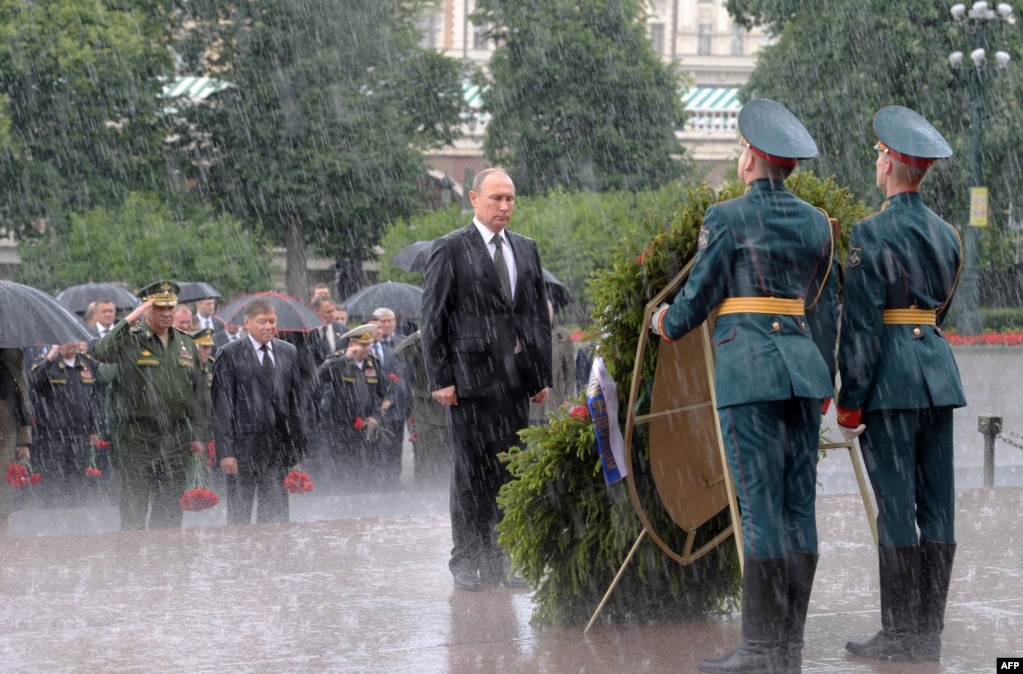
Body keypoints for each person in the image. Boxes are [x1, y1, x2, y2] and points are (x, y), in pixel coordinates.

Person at [650, 99, 837, 673]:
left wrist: (665, 320)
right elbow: (821, 303)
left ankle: (759, 650)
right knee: (797, 508)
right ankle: (789, 646)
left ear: (752, 158)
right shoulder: (816, 223)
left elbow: (699, 297)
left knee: (758, 510)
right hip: (803, 371)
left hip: (749, 368)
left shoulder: (726, 217)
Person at [837, 106, 965, 664]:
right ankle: (927, 632)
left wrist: (850, 402)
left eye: (878, 155)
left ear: (890, 164)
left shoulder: (869, 234)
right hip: (938, 377)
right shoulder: (947, 233)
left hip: (890, 382)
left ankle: (898, 634)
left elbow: (863, 330)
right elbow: (939, 312)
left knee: (896, 507)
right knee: (938, 505)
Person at [421, 167, 553, 592]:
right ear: (475, 199)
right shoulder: (451, 249)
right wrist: (441, 377)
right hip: (468, 384)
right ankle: (466, 558)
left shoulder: (527, 249)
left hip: (513, 383)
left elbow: (534, 317)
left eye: (510, 199)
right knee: (470, 474)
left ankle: (502, 558)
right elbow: (432, 318)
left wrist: (539, 376)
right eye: (496, 198)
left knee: (509, 474)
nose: (504, 207)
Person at [93, 281, 211, 531]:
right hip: (138, 438)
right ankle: (133, 567)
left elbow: (199, 394)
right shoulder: (130, 339)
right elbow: (102, 353)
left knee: (168, 514)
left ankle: (165, 567)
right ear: (146, 308)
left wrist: (199, 435)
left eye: (170, 307)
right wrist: (129, 320)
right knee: (134, 512)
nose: (167, 313)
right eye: (159, 308)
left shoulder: (186, 344)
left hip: (176, 438)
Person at [212, 298, 307, 524]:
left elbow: (295, 399)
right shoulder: (229, 354)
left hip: (277, 448)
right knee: (240, 516)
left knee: (275, 515)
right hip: (243, 448)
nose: (268, 326)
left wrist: (298, 441)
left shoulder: (288, 351)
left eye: (272, 321)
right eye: (261, 321)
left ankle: (273, 557)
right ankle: (241, 556)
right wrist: (226, 451)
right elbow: (221, 406)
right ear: (247, 323)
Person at [30, 342, 103, 505]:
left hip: (80, 431)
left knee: (78, 481)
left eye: (75, 341)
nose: (73, 345)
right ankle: (54, 522)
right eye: (68, 341)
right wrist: (52, 354)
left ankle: (76, 520)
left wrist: (95, 428)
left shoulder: (87, 362)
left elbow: (95, 398)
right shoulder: (46, 362)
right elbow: (34, 381)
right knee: (53, 479)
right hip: (53, 432)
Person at [317, 325, 385, 485]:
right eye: (362, 345)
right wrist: (345, 358)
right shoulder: (338, 359)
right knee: (338, 470)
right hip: (337, 426)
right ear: (352, 344)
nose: (366, 349)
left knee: (362, 470)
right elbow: (321, 375)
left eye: (368, 345)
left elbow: (379, 394)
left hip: (362, 426)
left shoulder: (373, 363)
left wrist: (375, 416)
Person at [393, 329, 452, 487]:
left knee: (451, 457)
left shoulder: (456, 337)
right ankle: (427, 494)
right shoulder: (423, 341)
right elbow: (400, 353)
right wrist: (420, 333)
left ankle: (448, 491)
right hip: (427, 409)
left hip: (452, 406)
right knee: (428, 457)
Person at [369, 312, 410, 488]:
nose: (380, 330)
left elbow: (400, 378)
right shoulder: (363, 352)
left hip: (393, 410)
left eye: (382, 326)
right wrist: (376, 405)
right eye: (376, 327)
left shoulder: (391, 350)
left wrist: (389, 401)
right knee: (376, 449)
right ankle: (377, 482)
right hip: (372, 411)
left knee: (394, 447)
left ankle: (394, 482)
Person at [0, 348, 33, 537]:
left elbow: (21, 391)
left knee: (3, 488)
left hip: (6, 418)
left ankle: (2, 543)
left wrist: (24, 440)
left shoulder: (11, 349)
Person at [529, 301, 576, 425]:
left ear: (552, 311)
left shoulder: (563, 336)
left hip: (556, 401)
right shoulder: (527, 334)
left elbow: (570, 370)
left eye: (547, 309)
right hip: (532, 403)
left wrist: (569, 397)